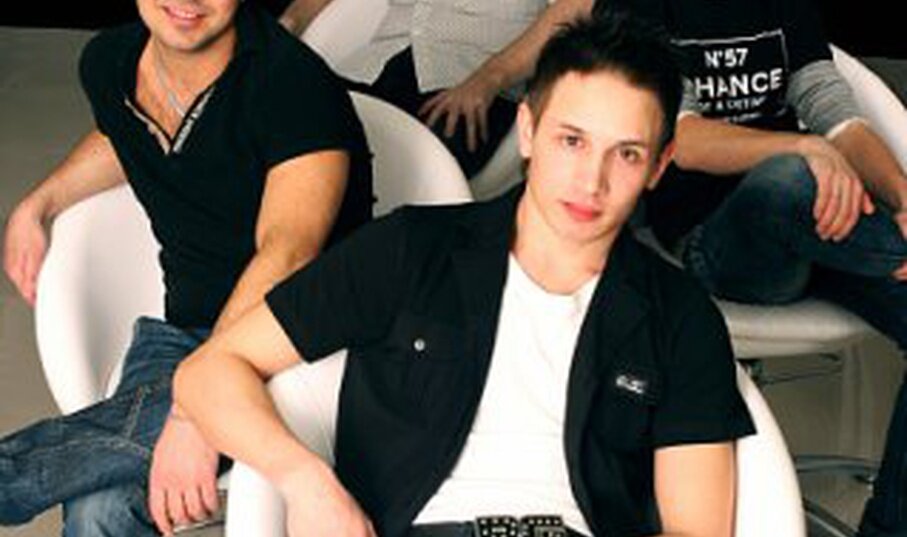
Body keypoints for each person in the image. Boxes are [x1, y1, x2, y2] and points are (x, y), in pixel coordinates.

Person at [174, 13, 755, 537]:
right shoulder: (412, 249)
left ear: (659, 165)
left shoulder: (680, 315)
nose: (591, 181)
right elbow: (208, 371)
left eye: (626, 153)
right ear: (528, 130)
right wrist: (307, 483)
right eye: (571, 141)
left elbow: (696, 530)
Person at [0, 0, 372, 535]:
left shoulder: (292, 84)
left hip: (297, 341)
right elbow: (124, 133)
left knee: (101, 502)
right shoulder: (109, 61)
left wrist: (196, 408)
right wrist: (39, 203)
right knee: (100, 509)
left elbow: (287, 252)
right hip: (183, 332)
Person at [590, 0, 907, 535]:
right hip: (713, 242)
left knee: (800, 181)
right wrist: (806, 147)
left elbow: (836, 115)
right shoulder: (640, 7)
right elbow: (683, 139)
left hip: (819, 229)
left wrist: (902, 198)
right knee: (790, 178)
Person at [279, 0, 593, 177]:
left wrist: (489, 79)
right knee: (289, 133)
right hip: (372, 66)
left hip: (468, 82)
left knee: (385, 173)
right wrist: (287, 25)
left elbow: (576, 8)